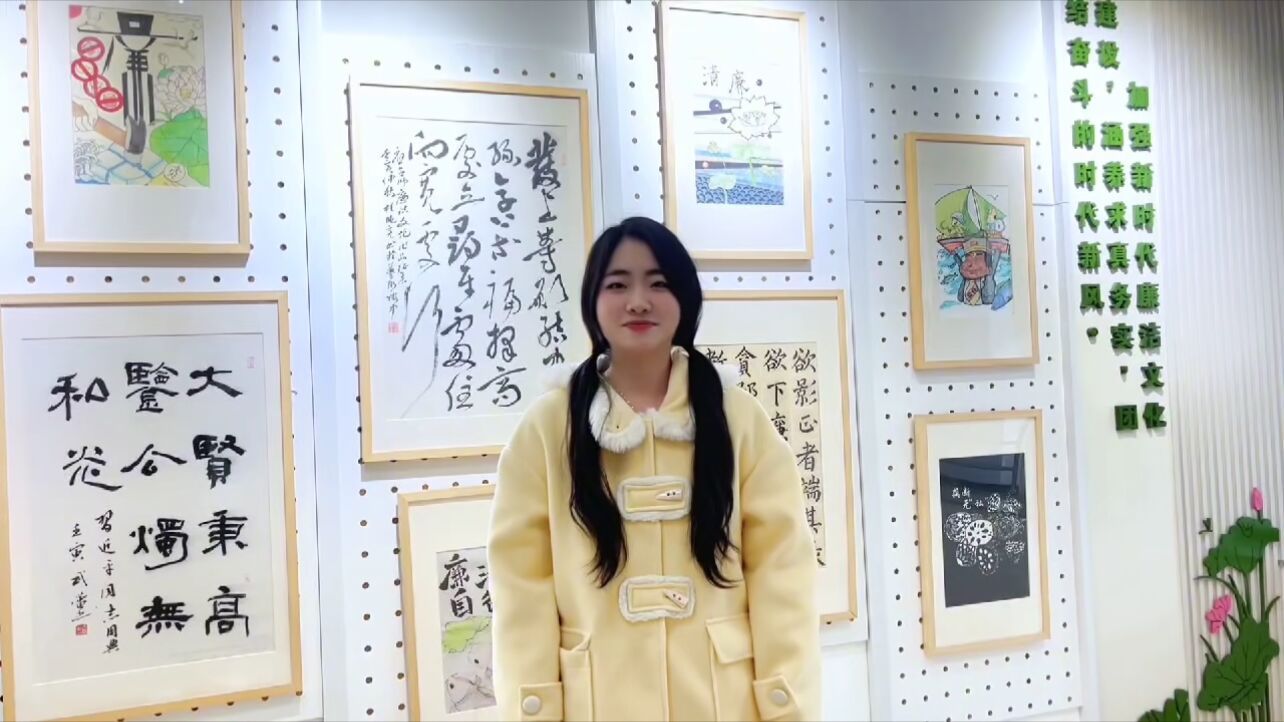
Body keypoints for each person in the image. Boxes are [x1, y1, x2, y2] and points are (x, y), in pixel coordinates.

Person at [488, 216, 821, 721]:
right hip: (596, 702)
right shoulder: (548, 428)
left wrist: (786, 705)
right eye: (617, 284)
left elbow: (783, 576)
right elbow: (521, 589)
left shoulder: (738, 419)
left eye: (659, 283)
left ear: (685, 297)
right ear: (592, 301)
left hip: (722, 702)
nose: (639, 301)